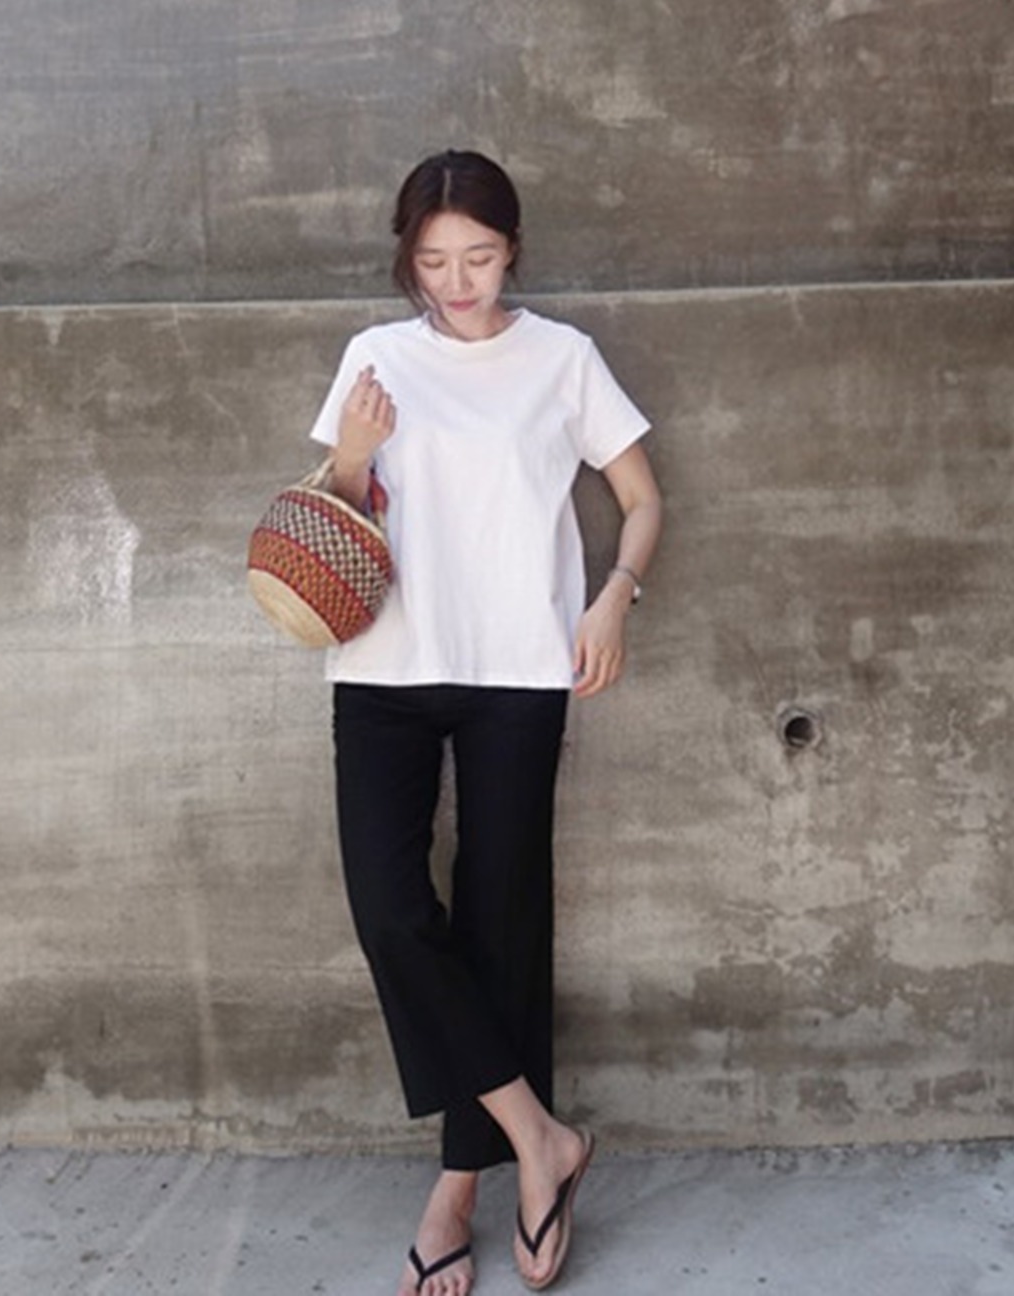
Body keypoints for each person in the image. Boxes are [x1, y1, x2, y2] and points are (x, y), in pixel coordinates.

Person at [307, 149, 663, 1295]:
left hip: (517, 668)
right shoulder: (375, 356)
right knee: (391, 910)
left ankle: (457, 1190)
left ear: (511, 250)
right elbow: (331, 513)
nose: (456, 284)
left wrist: (612, 594)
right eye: (432, 262)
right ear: (405, 260)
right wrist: (352, 452)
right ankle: (539, 1138)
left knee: (500, 922)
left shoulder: (561, 358)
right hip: (383, 665)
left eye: (478, 257)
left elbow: (640, 497)